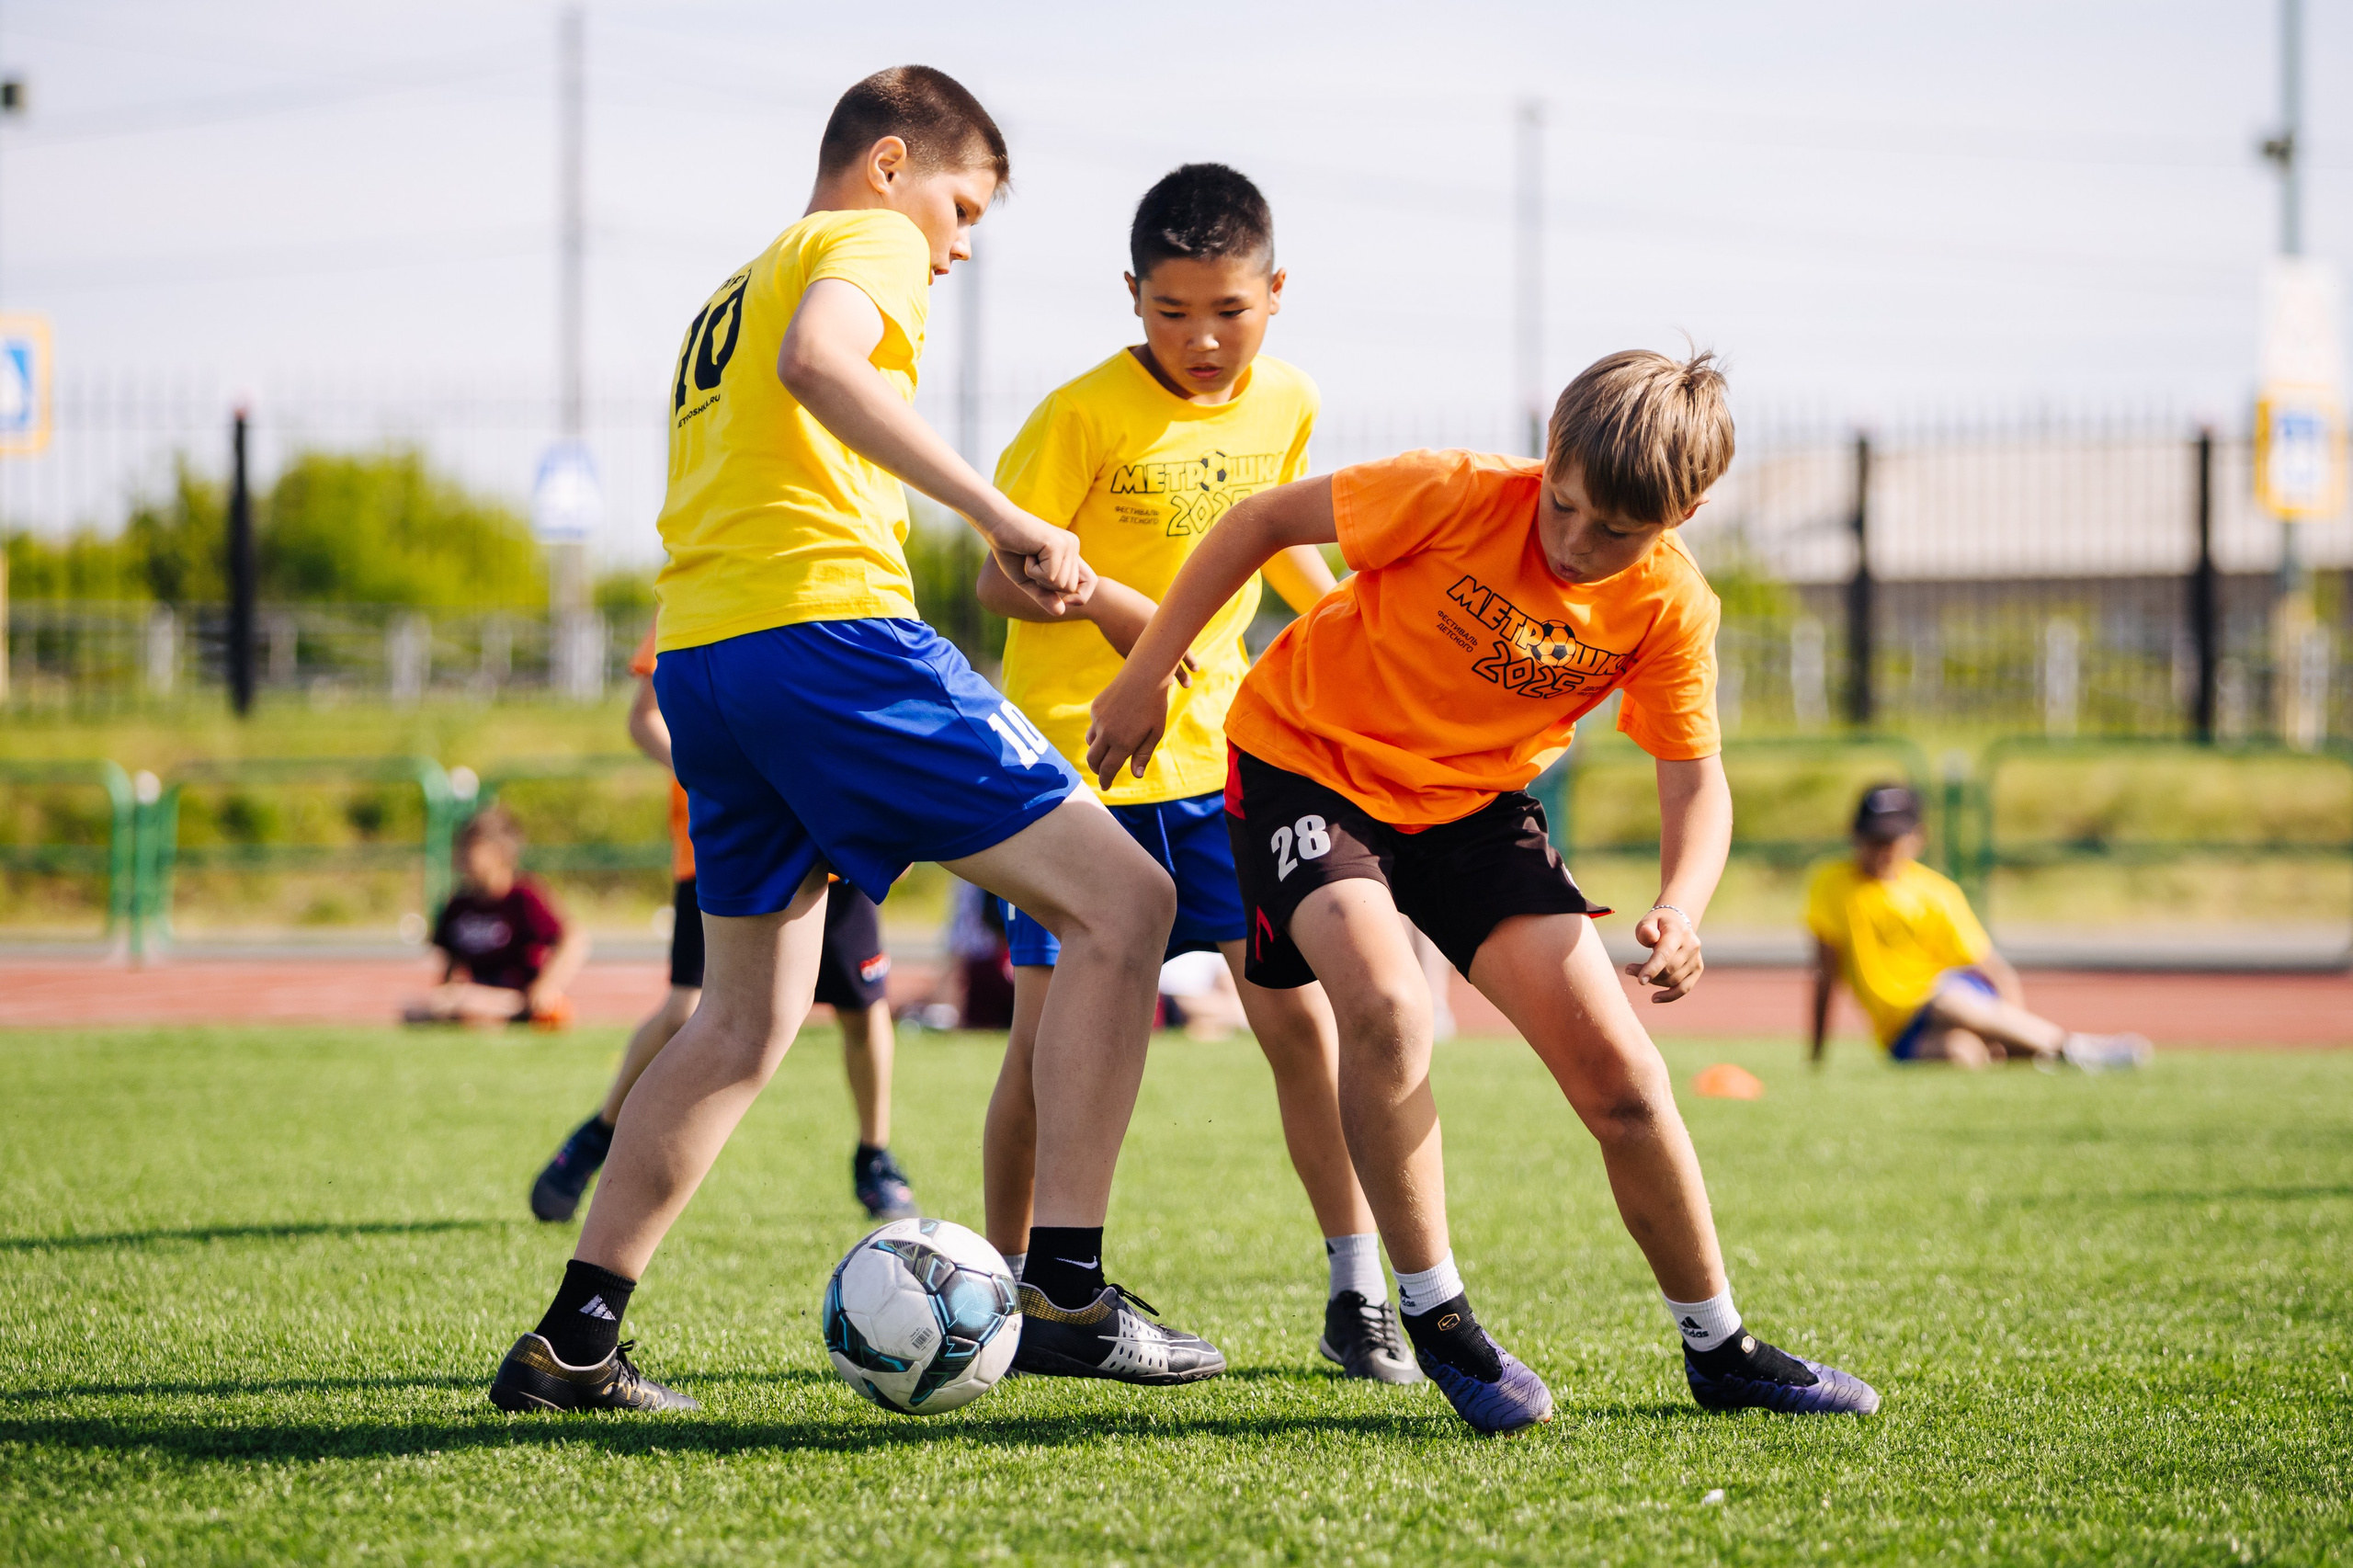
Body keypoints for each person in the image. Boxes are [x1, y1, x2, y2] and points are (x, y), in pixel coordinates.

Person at [491, 66, 1208, 1416]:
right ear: (890, 164)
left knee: (742, 1021)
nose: (962, 242)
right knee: (1131, 900)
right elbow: (819, 366)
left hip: (710, 661)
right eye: (962, 202)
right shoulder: (860, 240)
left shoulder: (730, 284)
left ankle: (577, 1335)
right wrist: (1003, 514)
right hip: (830, 644)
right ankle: (1065, 1285)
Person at [1087, 348, 1882, 1434]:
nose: (1573, 541)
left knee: (1627, 1080)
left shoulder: (1667, 604)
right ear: (1546, 452)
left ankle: (1720, 1344)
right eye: (1564, 504)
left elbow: (1695, 779)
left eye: (1615, 530)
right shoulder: (1452, 489)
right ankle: (1438, 1316)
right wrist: (1143, 675)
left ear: (1686, 510)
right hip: (1306, 764)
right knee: (1386, 1004)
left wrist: (1680, 905)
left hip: (1468, 809)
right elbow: (1258, 520)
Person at [975, 164, 1415, 1385]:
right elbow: (995, 577)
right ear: (1131, 297)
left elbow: (1273, 553)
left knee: (1298, 1022)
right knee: (1038, 1044)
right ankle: (1013, 1301)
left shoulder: (1290, 400)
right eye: (1171, 313)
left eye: (1228, 309)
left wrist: (1349, 643)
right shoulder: (1079, 414)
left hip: (1225, 760)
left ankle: (1356, 1291)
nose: (1203, 339)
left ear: (1277, 292)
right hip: (1074, 765)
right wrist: (1120, 609)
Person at [526, 626, 920, 1229]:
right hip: (723, 840)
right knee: (687, 1009)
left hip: (827, 831)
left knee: (864, 1005)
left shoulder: (822, 585)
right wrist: (720, 768)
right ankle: (597, 1134)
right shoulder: (690, 590)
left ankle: (876, 1157)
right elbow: (645, 718)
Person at [1807, 783, 2152, 1071]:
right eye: (1872, 840)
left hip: (1950, 995)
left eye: (1891, 840)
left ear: (1917, 838)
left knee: (1950, 1001)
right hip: (1899, 1027)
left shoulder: (1935, 892)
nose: (1880, 851)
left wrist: (2013, 1018)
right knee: (1963, 1055)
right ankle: (2053, 1052)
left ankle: (2076, 1047)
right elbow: (1826, 970)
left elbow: (1991, 967)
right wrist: (1817, 1051)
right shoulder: (1833, 884)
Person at [404, 806, 589, 1027]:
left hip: (517, 997)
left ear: (499, 852)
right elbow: (451, 967)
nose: (461, 856)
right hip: (476, 994)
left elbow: (574, 938)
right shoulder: (458, 905)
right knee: (416, 1011)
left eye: (470, 848)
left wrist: (546, 987)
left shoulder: (524, 898)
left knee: (464, 1003)